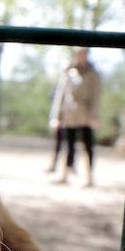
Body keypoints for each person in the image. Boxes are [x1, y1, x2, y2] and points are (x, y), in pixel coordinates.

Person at [48, 48, 102, 186]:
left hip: (85, 115)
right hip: (69, 115)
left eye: (83, 53)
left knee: (88, 146)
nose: (80, 56)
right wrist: (56, 116)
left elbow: (96, 96)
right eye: (78, 53)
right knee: (68, 145)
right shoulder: (68, 72)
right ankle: (64, 174)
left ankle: (89, 177)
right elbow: (60, 95)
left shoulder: (93, 73)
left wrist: (94, 116)